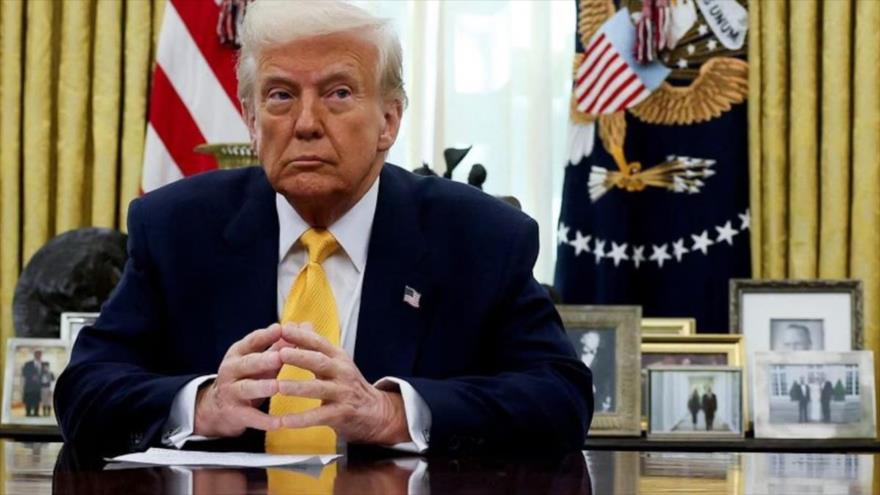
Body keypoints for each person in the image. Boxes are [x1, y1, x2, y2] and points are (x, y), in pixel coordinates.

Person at [54, 0, 592, 457]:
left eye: (337, 93)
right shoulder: (177, 228)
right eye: (281, 96)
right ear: (250, 120)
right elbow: (84, 391)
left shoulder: (479, 237)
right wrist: (203, 404)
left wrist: (391, 413)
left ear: (389, 120)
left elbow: (559, 398)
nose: (306, 123)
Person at [579, 332, 612, 412]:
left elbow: (608, 380)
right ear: (582, 340)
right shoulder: (574, 354)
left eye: (597, 338)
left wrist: (606, 397)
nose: (595, 340)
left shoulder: (604, 359)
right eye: (591, 337)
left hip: (597, 400)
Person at [21, 350, 43, 417]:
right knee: (28, 399)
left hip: (38, 386)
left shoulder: (43, 364)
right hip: (29, 385)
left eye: (40, 354)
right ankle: (28, 413)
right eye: (37, 354)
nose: (39, 356)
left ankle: (36, 413)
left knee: (37, 399)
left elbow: (45, 374)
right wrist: (31, 377)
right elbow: (24, 373)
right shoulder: (28, 363)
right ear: (34, 355)